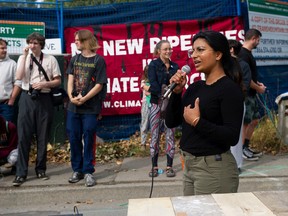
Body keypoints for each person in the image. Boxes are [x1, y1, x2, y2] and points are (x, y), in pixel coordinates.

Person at [165, 31, 244, 195]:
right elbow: (171, 122)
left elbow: (232, 136)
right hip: (189, 166)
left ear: (218, 54)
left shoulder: (229, 89)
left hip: (214, 168)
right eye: (192, 51)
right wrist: (177, 93)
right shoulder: (196, 87)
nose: (194, 55)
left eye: (200, 50)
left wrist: (197, 122)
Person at [12, 32, 61, 186]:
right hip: (27, 98)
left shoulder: (50, 59)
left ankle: (41, 169)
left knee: (42, 135)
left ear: (41, 44)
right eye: (30, 43)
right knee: (24, 136)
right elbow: (19, 77)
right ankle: (21, 173)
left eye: (35, 43)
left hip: (45, 98)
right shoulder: (23, 58)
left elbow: (58, 81)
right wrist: (25, 56)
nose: (32, 46)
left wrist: (44, 84)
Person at [66, 29, 107, 187]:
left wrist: (84, 98)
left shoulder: (98, 60)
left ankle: (88, 171)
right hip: (73, 106)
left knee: (89, 136)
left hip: (90, 107)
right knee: (74, 136)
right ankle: (77, 170)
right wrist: (71, 97)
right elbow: (70, 79)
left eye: (78, 40)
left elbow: (99, 84)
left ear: (85, 41)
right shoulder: (74, 59)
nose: (75, 42)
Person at [147, 40, 179, 178]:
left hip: (170, 105)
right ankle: (154, 167)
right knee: (154, 134)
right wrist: (165, 88)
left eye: (170, 49)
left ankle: (169, 167)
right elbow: (153, 84)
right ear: (159, 51)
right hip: (156, 103)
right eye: (165, 49)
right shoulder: (153, 65)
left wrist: (171, 88)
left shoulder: (175, 66)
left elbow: (178, 85)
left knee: (170, 134)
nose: (168, 51)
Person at [238, 29, 266, 161]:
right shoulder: (243, 54)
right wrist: (258, 88)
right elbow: (245, 79)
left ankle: (246, 147)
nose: (258, 43)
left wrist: (258, 84)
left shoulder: (248, 54)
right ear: (254, 38)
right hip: (246, 94)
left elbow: (250, 77)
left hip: (252, 93)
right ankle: (241, 150)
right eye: (258, 40)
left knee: (254, 121)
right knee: (245, 123)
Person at [228, 39, 252, 171]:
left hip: (236, 102)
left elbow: (246, 85)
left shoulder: (242, 65)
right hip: (223, 103)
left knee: (236, 136)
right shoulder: (221, 65)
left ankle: (236, 164)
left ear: (231, 49)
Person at [0, 39, 22, 123]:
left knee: (6, 132)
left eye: (5, 48)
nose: (4, 50)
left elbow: (18, 82)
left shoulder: (12, 64)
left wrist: (12, 99)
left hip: (5, 106)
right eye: (2, 48)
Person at [140, 65, 151, 150]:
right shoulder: (143, 81)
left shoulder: (155, 81)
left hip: (154, 103)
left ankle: (154, 143)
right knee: (144, 123)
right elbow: (147, 92)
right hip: (146, 104)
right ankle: (143, 143)